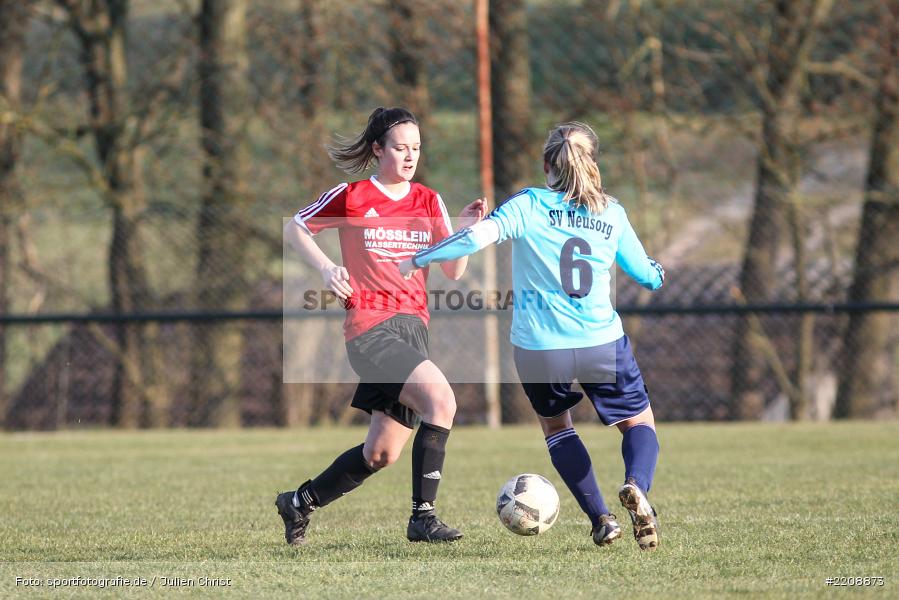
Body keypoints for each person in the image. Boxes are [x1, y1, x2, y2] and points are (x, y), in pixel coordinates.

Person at [399, 122, 665, 550]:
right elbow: (646, 276)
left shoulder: (528, 204)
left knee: (558, 428)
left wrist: (417, 259)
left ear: (546, 165)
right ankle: (636, 485)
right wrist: (658, 272)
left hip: (540, 348)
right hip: (600, 341)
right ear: (592, 163)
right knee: (638, 421)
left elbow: (473, 238)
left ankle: (601, 519)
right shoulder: (611, 212)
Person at [277, 107, 487, 545]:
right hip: (370, 328)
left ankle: (298, 502)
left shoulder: (429, 201)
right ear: (378, 149)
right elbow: (296, 228)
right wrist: (326, 268)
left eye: (416, 148)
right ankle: (423, 518)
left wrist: (465, 232)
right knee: (442, 401)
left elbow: (453, 271)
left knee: (381, 453)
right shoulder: (352, 196)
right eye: (400, 148)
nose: (410, 157)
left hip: (413, 330)